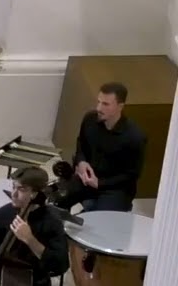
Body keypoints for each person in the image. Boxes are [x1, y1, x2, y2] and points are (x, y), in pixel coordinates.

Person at [56, 82, 146, 214]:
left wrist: (100, 183)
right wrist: (81, 162)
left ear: (120, 106)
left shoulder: (135, 137)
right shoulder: (89, 119)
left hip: (115, 189)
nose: (98, 108)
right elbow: (81, 143)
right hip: (87, 178)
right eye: (98, 102)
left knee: (97, 222)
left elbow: (131, 175)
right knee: (56, 200)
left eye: (105, 104)